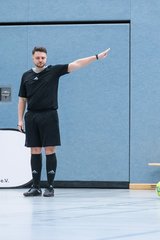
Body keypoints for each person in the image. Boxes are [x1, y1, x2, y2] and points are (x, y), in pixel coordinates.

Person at [18, 46, 110, 197]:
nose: (40, 60)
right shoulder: (26, 76)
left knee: (49, 150)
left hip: (49, 115)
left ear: (46, 58)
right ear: (33, 58)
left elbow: (77, 63)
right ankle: (35, 187)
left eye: (43, 58)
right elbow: (22, 99)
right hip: (32, 116)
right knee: (34, 150)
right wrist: (19, 120)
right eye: (37, 58)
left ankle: (49, 186)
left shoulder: (54, 71)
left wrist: (97, 57)